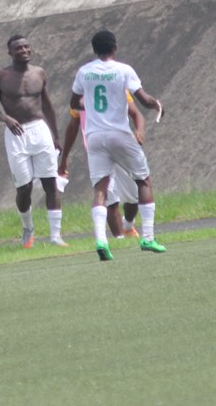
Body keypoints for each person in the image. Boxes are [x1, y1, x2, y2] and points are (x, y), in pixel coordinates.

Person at [70, 30, 166, 261]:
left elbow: (74, 102)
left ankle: (101, 240)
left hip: (94, 136)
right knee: (143, 180)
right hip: (119, 133)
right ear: (115, 47)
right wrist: (157, 105)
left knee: (100, 189)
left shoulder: (84, 72)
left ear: (94, 50)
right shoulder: (123, 70)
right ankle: (148, 237)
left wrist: (92, 106)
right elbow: (143, 100)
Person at [0, 34, 66, 248]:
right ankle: (28, 228)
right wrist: (6, 119)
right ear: (10, 52)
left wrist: (56, 136)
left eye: (26, 47)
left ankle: (56, 236)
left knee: (51, 183)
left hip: (40, 130)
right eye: (18, 48)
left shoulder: (39, 73)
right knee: (24, 188)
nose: (23, 51)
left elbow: (47, 106)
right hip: (16, 133)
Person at [60, 88, 164, 240]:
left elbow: (135, 112)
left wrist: (139, 130)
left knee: (134, 197)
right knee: (109, 199)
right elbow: (73, 125)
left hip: (121, 146)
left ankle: (128, 226)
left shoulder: (118, 84)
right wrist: (64, 158)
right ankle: (119, 240)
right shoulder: (83, 92)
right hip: (98, 151)